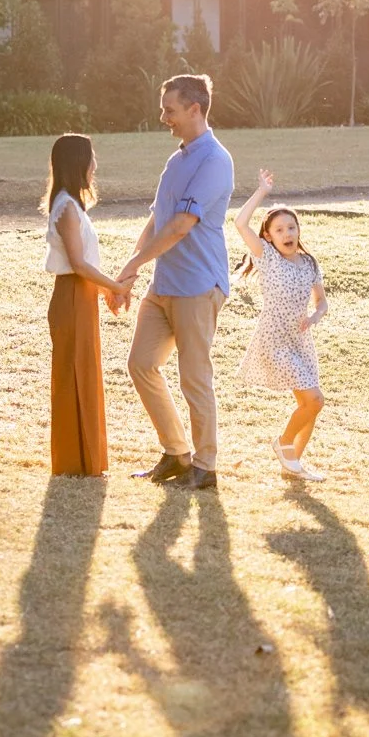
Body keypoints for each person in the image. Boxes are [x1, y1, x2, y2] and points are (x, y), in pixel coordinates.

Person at [118, 73, 235, 492]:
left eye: (169, 109)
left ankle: (205, 467)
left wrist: (134, 262)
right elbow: (158, 219)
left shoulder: (215, 161)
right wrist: (131, 273)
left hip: (199, 287)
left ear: (194, 109)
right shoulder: (177, 160)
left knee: (194, 378)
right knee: (141, 364)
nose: (163, 116)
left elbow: (183, 225)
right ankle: (176, 453)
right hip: (164, 286)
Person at [43, 133, 130, 477]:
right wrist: (115, 286)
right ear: (79, 163)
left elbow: (83, 265)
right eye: (92, 157)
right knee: (72, 374)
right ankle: (73, 461)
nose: (96, 164)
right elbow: (77, 264)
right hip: (70, 296)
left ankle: (87, 460)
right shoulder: (65, 206)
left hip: (82, 295)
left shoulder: (73, 205)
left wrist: (104, 291)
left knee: (86, 372)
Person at [234, 170, 328, 480]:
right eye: (279, 229)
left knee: (310, 405)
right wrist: (261, 191)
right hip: (274, 340)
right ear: (269, 237)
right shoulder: (268, 257)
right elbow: (240, 223)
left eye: (291, 226)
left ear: (298, 230)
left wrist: (314, 317)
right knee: (315, 399)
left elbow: (321, 302)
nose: (287, 233)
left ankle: (293, 463)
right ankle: (284, 443)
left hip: (300, 341)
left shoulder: (310, 264)